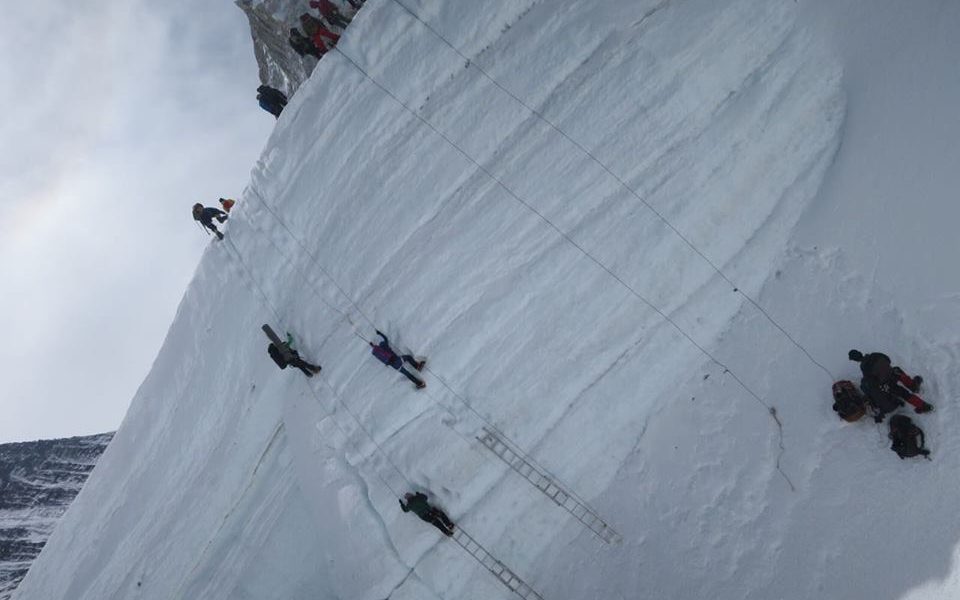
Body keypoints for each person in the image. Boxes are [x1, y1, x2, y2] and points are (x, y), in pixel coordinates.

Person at [849, 349, 932, 421]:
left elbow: (872, 381)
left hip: (887, 383)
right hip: (892, 373)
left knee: (903, 393)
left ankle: (923, 406)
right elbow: (888, 360)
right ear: (860, 352)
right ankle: (913, 385)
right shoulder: (875, 354)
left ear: (855, 360)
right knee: (897, 370)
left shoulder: (864, 367)